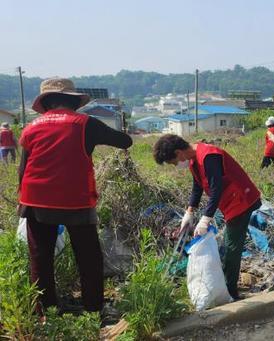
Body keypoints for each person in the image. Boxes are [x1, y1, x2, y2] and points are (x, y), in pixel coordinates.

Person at [18, 78, 132, 314]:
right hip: (75, 201)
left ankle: (45, 312)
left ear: (46, 103)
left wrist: (24, 202)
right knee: (89, 257)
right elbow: (125, 141)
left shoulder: (31, 127)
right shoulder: (85, 123)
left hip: (35, 200)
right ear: (73, 101)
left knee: (40, 259)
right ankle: (92, 310)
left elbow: (23, 168)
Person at [153, 134, 261, 300]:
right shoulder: (194, 159)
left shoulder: (209, 156)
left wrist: (205, 219)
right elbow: (198, 187)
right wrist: (189, 212)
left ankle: (230, 291)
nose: (176, 166)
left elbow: (215, 189)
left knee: (232, 247)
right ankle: (227, 287)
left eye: (173, 162)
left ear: (178, 152)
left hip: (241, 199)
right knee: (230, 244)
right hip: (230, 201)